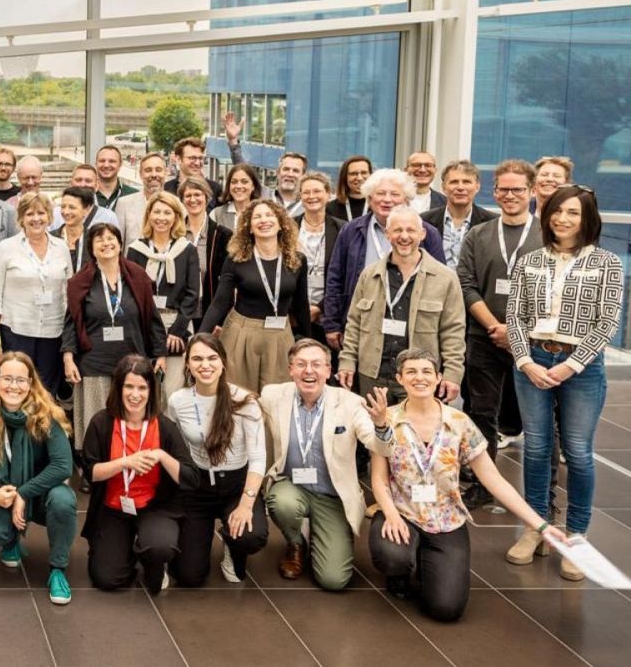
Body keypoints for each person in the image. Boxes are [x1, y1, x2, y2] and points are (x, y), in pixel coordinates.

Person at [369, 348, 565, 621]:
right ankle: (400, 573)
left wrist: (540, 525)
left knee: (446, 609)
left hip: (445, 519)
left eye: (426, 371)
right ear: (400, 379)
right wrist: (390, 514)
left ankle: (429, 562)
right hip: (401, 512)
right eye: (411, 372)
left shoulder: (460, 423)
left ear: (438, 378)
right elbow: (378, 477)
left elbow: (494, 480)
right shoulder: (386, 419)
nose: (419, 378)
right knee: (393, 557)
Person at [504, 184, 622, 580]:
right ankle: (537, 529)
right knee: (537, 449)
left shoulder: (607, 263)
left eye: (573, 212)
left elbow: (607, 322)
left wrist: (571, 365)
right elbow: (515, 316)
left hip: (581, 366)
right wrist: (524, 361)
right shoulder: (529, 260)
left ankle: (576, 537)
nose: (562, 218)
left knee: (578, 452)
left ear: (587, 218)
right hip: (533, 360)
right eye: (556, 210)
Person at [261, 339, 390, 590]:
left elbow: (378, 445)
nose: (309, 371)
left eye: (316, 364)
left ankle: (325, 534)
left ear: (328, 371)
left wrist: (381, 425)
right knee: (281, 502)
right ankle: (296, 542)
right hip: (292, 486)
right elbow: (242, 403)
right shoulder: (273, 396)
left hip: (332, 495)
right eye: (301, 364)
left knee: (334, 580)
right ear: (290, 369)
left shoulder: (350, 403)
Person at [455, 160, 541, 493]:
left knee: (538, 418)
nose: (510, 195)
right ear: (494, 192)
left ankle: (541, 495)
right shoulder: (479, 234)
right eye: (503, 189)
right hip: (484, 337)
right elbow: (466, 284)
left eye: (517, 189)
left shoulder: (546, 235)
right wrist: (495, 326)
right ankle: (481, 486)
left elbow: (553, 292)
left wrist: (516, 331)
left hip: (534, 341)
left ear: (531, 191)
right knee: (481, 413)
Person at [81, 356, 199, 594]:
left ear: (151, 390)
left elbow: (191, 478)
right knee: (106, 578)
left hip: (154, 508)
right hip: (114, 508)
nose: (135, 395)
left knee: (159, 548)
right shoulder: (102, 422)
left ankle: (153, 555)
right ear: (118, 388)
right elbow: (90, 473)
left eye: (142, 388)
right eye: (129, 386)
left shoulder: (165, 427)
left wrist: (162, 456)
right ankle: (130, 547)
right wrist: (125, 462)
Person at [0, 352, 78, 605]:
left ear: (30, 383)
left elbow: (63, 466)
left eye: (20, 380)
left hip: (43, 494)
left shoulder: (46, 414)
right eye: (7, 378)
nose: (13, 386)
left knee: (63, 501)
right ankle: (10, 540)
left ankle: (57, 570)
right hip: (5, 494)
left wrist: (24, 493)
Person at [167, 334, 269, 585]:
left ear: (223, 362)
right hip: (198, 485)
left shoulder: (245, 401)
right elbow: (176, 448)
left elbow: (258, 459)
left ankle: (232, 545)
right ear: (188, 364)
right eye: (197, 359)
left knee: (250, 536)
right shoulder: (178, 401)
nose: (205, 365)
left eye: (212, 358)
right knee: (189, 576)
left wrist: (245, 505)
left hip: (236, 485)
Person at [338, 207, 465, 402]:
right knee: (372, 423)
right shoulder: (369, 275)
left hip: (419, 379)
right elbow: (354, 323)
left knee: (416, 423)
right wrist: (347, 361)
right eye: (397, 230)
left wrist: (452, 373)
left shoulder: (445, 278)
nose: (404, 236)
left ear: (422, 234)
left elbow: (453, 330)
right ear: (387, 234)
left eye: (411, 230)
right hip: (373, 376)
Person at [322, 168, 446, 353]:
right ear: (370, 198)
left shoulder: (427, 233)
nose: (387, 200)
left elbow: (439, 282)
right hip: (362, 322)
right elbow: (335, 278)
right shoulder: (351, 231)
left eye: (394, 194)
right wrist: (332, 324)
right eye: (380, 193)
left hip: (413, 324)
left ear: (406, 199)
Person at [63, 223, 166, 439]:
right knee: (98, 429)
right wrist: (68, 358)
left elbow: (152, 318)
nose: (106, 243)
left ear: (120, 244)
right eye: (99, 239)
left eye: (111, 238)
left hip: (133, 362)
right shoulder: (80, 282)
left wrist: (160, 354)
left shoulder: (138, 277)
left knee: (133, 424)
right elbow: (72, 322)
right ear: (91, 248)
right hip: (95, 365)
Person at [199, 200, 314, 392]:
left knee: (277, 398)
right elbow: (219, 303)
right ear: (249, 227)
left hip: (280, 337)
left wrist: (308, 344)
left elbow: (301, 305)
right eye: (257, 217)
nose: (264, 220)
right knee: (238, 396)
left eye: (269, 215)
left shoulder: (297, 260)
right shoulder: (236, 259)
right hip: (241, 335)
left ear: (281, 224)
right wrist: (200, 339)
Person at [0, 194, 71, 406]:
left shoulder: (61, 247)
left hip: (53, 332)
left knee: (47, 393)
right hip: (17, 331)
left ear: (50, 216)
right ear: (21, 218)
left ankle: (43, 427)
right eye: (30, 213)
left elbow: (68, 291)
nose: (36, 219)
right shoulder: (6, 248)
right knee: (16, 389)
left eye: (41, 213)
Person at [124, 192, 199, 396]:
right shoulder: (136, 250)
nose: (161, 218)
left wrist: (177, 330)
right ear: (148, 215)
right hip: (145, 326)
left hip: (177, 327)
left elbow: (193, 293)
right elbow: (131, 293)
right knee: (145, 389)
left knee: (172, 390)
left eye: (167, 212)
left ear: (176, 217)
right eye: (156, 212)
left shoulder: (187, 250)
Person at [178, 177, 232, 330]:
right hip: (179, 312)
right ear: (182, 200)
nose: (193, 199)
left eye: (197, 194)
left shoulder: (222, 235)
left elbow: (227, 283)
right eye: (188, 196)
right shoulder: (175, 233)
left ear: (207, 198)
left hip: (209, 312)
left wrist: (220, 320)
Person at [295, 173, 344, 335]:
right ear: (300, 196)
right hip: (293, 313)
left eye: (317, 191)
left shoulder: (342, 229)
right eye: (306, 192)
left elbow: (344, 275)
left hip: (328, 315)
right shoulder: (288, 227)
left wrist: (320, 308)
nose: (311, 196)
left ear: (328, 194)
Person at [421, 160, 494, 267]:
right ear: (443, 187)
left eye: (466, 182)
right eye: (454, 182)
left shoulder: (492, 223)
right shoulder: (424, 221)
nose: (460, 187)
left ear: (477, 187)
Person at [115, 152, 170, 242]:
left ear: (166, 172)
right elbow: (118, 243)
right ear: (140, 174)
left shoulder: (178, 205)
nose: (154, 174)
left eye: (158, 170)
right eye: (148, 170)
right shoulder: (124, 204)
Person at [209, 164, 262, 229]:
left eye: (244, 182)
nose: (238, 186)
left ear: (253, 186)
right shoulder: (216, 214)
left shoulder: (262, 213)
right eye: (234, 182)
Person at [58, 187, 96, 271]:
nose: (66, 212)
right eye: (63, 207)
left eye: (72, 207)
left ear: (86, 209)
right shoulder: (51, 238)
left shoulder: (93, 239)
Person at [326, 155, 372, 224]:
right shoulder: (330, 209)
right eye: (353, 174)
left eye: (364, 173)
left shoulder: (379, 207)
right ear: (344, 177)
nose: (359, 178)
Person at [92, 144, 137, 212]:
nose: (106, 165)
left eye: (112, 161)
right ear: (96, 164)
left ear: (120, 165)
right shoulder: (84, 194)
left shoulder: (134, 195)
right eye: (102, 161)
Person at [268, 152, 308, 217]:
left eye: (295, 171)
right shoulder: (263, 198)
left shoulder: (308, 206)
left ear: (303, 176)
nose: (290, 174)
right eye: (286, 169)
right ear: (278, 173)